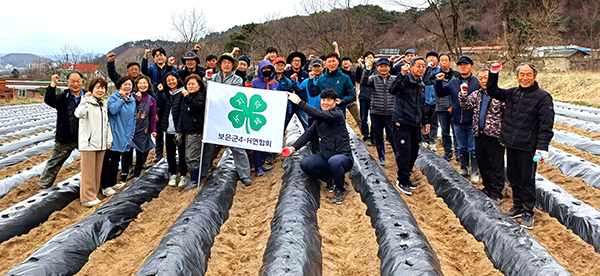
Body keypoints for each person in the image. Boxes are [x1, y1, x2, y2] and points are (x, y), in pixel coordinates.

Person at [487, 62, 554, 229]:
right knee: (513, 176)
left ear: (534, 77)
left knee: (527, 179)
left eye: (528, 75)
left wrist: (542, 147)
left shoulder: (542, 97)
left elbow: (546, 125)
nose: (524, 78)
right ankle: (517, 205)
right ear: (517, 76)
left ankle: (528, 211)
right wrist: (493, 73)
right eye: (521, 75)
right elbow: (493, 91)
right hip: (512, 144)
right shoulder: (512, 93)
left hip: (528, 146)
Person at [285, 89, 354, 204]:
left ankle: (339, 189)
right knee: (306, 164)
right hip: (326, 156)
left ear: (335, 102)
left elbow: (319, 114)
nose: (325, 103)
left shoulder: (337, 114)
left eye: (328, 100)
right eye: (323, 100)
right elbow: (308, 134)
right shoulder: (319, 121)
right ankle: (330, 180)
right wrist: (292, 148)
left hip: (343, 158)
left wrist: (299, 102)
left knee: (334, 161)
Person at [203, 53, 253, 185]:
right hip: (214, 116)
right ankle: (203, 172)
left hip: (231, 116)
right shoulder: (212, 77)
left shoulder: (237, 80)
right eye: (224, 62)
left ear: (232, 65)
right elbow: (205, 89)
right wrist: (206, 79)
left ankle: (244, 174)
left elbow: (232, 95)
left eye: (229, 63)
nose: (226, 65)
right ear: (220, 64)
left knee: (236, 145)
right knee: (209, 145)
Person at [459, 68, 505, 202]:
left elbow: (507, 115)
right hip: (479, 134)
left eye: (486, 77)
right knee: (483, 162)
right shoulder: (477, 94)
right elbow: (466, 105)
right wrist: (463, 93)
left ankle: (496, 192)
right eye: (481, 78)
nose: (484, 81)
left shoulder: (500, 95)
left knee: (495, 165)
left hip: (494, 135)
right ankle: (488, 187)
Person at [389, 57, 430, 195]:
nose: (421, 69)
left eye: (423, 66)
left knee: (413, 151)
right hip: (402, 121)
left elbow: (422, 104)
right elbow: (392, 90)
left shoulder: (421, 83)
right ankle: (402, 180)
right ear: (411, 67)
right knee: (404, 152)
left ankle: (407, 177)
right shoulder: (405, 80)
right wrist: (401, 74)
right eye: (418, 66)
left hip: (415, 122)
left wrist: (425, 121)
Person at [435, 56, 480, 182]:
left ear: (471, 66)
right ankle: (464, 168)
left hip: (472, 120)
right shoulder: (454, 82)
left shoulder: (476, 82)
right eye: (461, 65)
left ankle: (475, 171)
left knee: (473, 147)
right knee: (461, 147)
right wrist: (439, 82)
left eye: (466, 65)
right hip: (456, 120)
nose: (463, 67)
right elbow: (442, 93)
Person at [38, 72, 85, 189]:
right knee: (54, 162)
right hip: (65, 136)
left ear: (82, 82)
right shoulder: (63, 97)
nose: (75, 84)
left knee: (91, 161)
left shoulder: (88, 96)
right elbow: (49, 100)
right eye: (72, 81)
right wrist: (53, 84)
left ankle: (97, 183)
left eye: (78, 81)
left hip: (84, 137)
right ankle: (44, 185)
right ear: (68, 83)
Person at [74, 77, 112, 207]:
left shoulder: (103, 104)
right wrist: (84, 99)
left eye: (103, 88)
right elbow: (79, 113)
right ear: (92, 89)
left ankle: (94, 194)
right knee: (88, 172)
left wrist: (108, 139)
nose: (100, 90)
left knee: (97, 171)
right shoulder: (87, 102)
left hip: (100, 142)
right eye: (98, 88)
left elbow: (106, 124)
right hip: (88, 143)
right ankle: (87, 197)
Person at [100, 76, 136, 196]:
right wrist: (121, 99)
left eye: (129, 85)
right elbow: (113, 110)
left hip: (125, 134)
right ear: (120, 86)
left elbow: (133, 118)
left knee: (116, 159)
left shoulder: (132, 100)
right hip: (114, 134)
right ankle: (105, 186)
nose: (127, 87)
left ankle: (112, 182)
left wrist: (131, 133)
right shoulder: (113, 98)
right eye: (125, 84)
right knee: (109, 160)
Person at [141, 47, 177, 163]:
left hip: (169, 100)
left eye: (161, 55)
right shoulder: (152, 69)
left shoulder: (171, 68)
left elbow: (175, 77)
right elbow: (144, 71)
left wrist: (171, 66)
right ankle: (159, 152)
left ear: (165, 57)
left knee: (171, 126)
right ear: (154, 58)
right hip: (157, 101)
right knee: (158, 128)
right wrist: (145, 57)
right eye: (156, 55)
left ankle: (172, 151)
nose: (159, 57)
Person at [361, 57, 397, 166]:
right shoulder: (373, 78)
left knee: (392, 136)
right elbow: (364, 82)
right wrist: (367, 69)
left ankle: (397, 156)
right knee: (378, 136)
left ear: (389, 68)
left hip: (390, 112)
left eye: (386, 66)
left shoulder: (394, 79)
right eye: (381, 66)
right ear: (377, 68)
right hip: (376, 112)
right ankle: (382, 158)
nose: (383, 69)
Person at [157, 72, 188, 187]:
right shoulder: (166, 94)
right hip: (168, 129)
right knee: (170, 153)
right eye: (168, 80)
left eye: (173, 79)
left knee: (182, 153)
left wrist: (180, 129)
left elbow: (183, 113)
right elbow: (160, 106)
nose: (171, 82)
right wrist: (160, 93)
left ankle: (183, 175)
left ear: (178, 80)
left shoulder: (182, 93)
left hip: (180, 130)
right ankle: (173, 174)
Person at [177, 74, 206, 189]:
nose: (190, 86)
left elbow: (196, 108)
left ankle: (195, 179)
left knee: (193, 156)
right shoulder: (185, 98)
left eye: (193, 84)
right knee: (187, 156)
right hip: (186, 131)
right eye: (188, 84)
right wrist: (179, 131)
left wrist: (188, 97)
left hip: (195, 131)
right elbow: (182, 114)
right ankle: (192, 177)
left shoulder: (200, 96)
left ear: (199, 85)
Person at [250, 60, 278, 176]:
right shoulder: (255, 82)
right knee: (257, 142)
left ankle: (262, 164)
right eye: (264, 69)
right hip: (258, 115)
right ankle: (257, 167)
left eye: (269, 68)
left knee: (267, 140)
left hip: (270, 115)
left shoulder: (275, 83)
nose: (267, 71)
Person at [307, 52, 356, 117]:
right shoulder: (322, 79)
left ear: (338, 62)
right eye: (329, 62)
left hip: (339, 113)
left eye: (333, 61)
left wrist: (342, 101)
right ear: (326, 64)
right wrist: (310, 80)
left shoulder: (345, 78)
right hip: (324, 113)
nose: (331, 64)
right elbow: (313, 93)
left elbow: (352, 95)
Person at [130, 76, 157, 178]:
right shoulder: (132, 97)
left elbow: (152, 116)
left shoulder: (151, 100)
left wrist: (153, 130)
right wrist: (137, 100)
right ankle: (128, 172)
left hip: (144, 128)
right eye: (140, 83)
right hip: (132, 127)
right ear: (136, 86)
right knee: (129, 151)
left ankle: (138, 172)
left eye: (144, 83)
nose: (142, 85)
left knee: (143, 150)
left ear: (148, 85)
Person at [436, 53, 460, 161]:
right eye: (442, 60)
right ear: (439, 63)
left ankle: (459, 153)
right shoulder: (436, 75)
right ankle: (448, 152)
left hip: (455, 107)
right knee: (445, 131)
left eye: (446, 60)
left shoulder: (457, 74)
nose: (444, 62)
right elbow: (438, 90)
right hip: (442, 107)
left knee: (456, 131)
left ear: (450, 62)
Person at [354, 51, 377, 145]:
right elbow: (357, 78)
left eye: (371, 57)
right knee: (364, 118)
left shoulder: (377, 69)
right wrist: (359, 67)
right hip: (364, 96)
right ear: (364, 59)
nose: (369, 59)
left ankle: (374, 137)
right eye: (367, 57)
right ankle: (366, 136)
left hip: (374, 97)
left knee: (374, 118)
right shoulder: (362, 69)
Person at [421, 51, 441, 151]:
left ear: (437, 59)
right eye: (429, 57)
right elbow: (422, 81)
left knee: (434, 123)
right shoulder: (423, 70)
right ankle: (424, 140)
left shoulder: (440, 70)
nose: (432, 59)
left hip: (436, 101)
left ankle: (432, 141)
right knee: (424, 122)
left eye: (434, 57)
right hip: (424, 101)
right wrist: (428, 69)